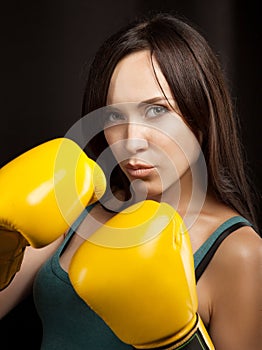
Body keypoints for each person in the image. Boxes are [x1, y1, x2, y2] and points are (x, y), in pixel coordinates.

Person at [0, 12, 261, 350]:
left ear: (202, 114)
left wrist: (180, 341)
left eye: (156, 110)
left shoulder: (240, 253)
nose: (131, 140)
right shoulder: (76, 208)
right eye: (114, 115)